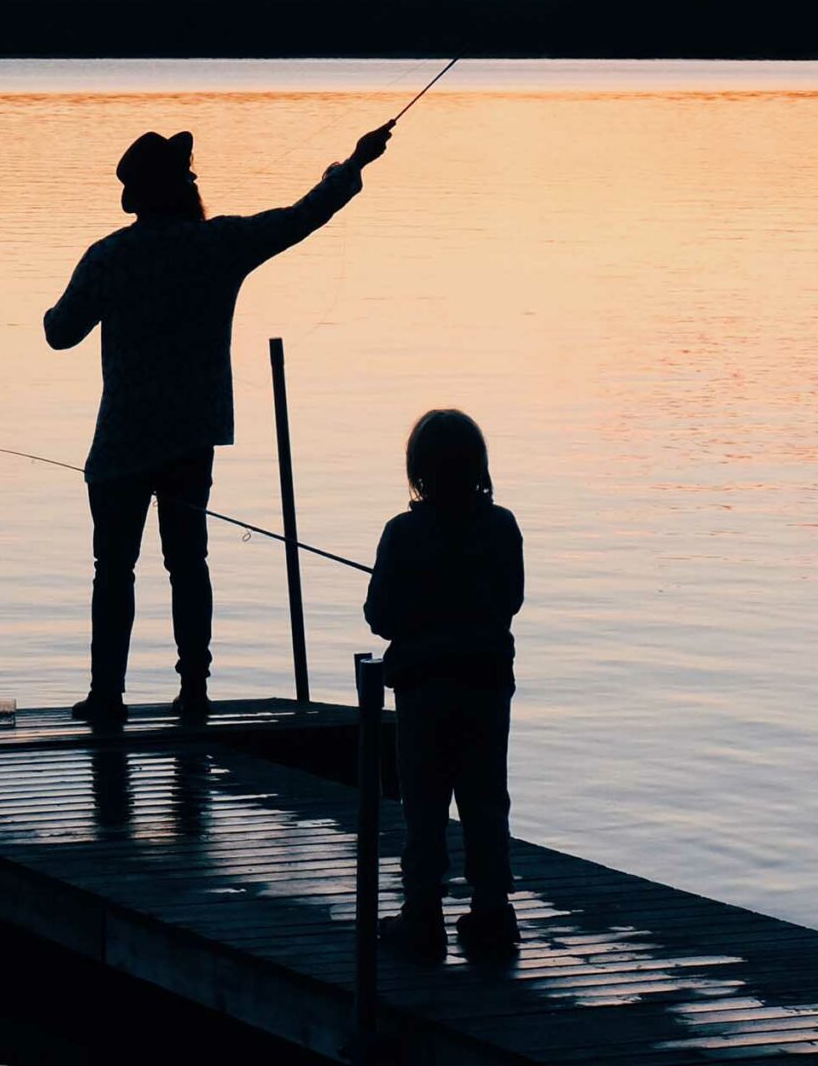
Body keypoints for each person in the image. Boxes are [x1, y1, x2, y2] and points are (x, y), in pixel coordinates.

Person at [44, 119, 393, 724]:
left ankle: (107, 695)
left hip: (121, 442)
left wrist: (61, 305)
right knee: (188, 564)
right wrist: (353, 165)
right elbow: (301, 217)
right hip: (189, 438)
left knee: (113, 570)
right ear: (182, 189)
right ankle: (195, 688)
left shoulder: (108, 257)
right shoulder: (218, 246)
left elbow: (59, 333)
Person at [364, 408, 524, 960]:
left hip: (423, 690)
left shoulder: (402, 533)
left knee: (424, 804)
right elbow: (512, 601)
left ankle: (423, 915)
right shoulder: (501, 526)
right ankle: (492, 913)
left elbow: (379, 615)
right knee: (485, 799)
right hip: (485, 689)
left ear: (419, 472)